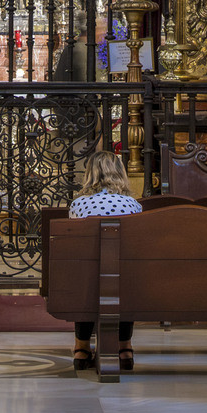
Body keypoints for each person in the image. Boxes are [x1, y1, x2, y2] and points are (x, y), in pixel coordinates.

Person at [68, 150, 141, 371]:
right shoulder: (132, 205)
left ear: (90, 174)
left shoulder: (78, 205)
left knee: (84, 278)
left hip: (88, 276)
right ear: (120, 173)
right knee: (126, 280)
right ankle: (124, 346)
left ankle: (82, 347)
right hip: (122, 274)